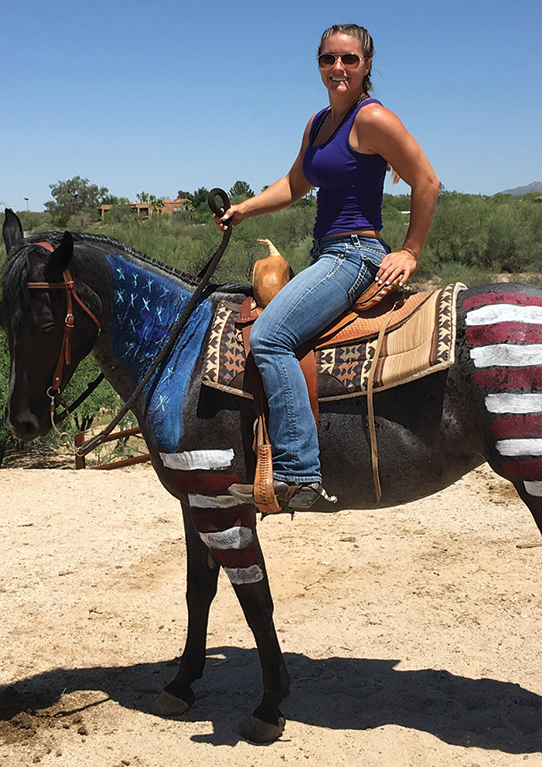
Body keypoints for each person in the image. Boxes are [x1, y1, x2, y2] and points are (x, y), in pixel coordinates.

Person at [221, 23, 440, 511]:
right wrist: (244, 209)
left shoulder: (374, 119)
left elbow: (427, 181)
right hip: (327, 254)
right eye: (328, 59)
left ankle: (300, 474)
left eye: (349, 60)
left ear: (366, 65)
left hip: (355, 254)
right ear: (318, 64)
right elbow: (296, 183)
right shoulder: (318, 123)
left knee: (271, 337)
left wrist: (409, 251)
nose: (338, 68)